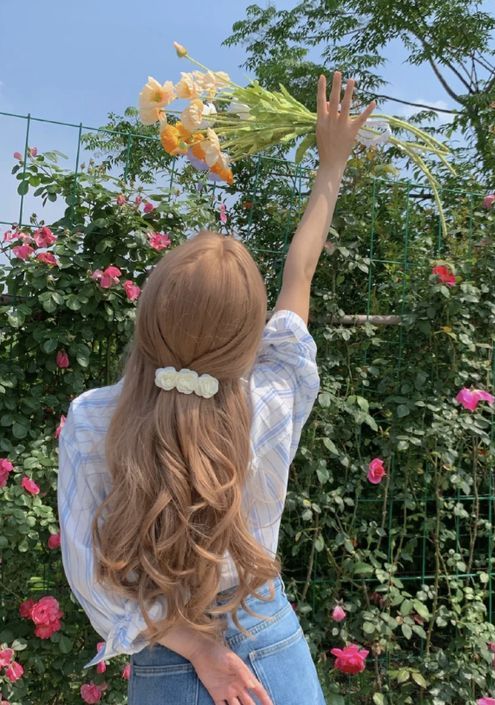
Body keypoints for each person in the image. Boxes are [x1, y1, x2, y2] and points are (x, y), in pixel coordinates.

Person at [57, 72, 375, 705]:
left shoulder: (93, 418)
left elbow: (92, 578)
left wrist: (202, 651)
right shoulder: (273, 397)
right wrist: (330, 166)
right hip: (270, 642)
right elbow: (300, 274)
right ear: (250, 335)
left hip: (169, 657)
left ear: (148, 316)